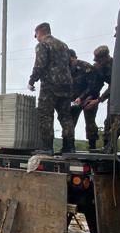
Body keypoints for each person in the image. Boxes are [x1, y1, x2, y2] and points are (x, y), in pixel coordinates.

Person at [27, 22, 73, 155]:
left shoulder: (43, 45)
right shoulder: (63, 45)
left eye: (36, 35)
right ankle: (69, 146)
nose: (36, 38)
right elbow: (70, 65)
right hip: (66, 85)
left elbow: (40, 65)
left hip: (50, 85)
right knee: (66, 116)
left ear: (39, 33)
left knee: (45, 115)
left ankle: (47, 147)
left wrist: (32, 80)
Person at [80, 45, 114, 150]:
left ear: (105, 57)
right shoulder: (100, 68)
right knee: (108, 123)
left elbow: (115, 85)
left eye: (98, 59)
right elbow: (97, 85)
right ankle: (107, 147)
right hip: (112, 93)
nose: (96, 61)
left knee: (113, 120)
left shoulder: (117, 65)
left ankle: (110, 146)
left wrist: (99, 100)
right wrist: (89, 97)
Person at [67, 49, 95, 152]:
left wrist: (82, 97)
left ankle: (92, 147)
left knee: (90, 122)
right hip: (74, 100)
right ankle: (69, 146)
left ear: (73, 57)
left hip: (89, 98)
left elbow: (92, 86)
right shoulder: (66, 69)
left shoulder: (86, 66)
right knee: (70, 122)